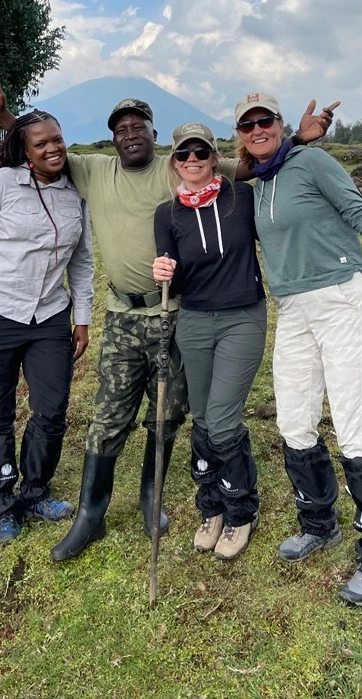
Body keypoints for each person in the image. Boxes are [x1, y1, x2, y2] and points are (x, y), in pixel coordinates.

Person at [0, 70, 339, 562]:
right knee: (109, 413)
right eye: (121, 129)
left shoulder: (177, 171)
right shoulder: (93, 171)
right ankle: (91, 514)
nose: (130, 135)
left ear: (155, 133)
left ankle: (154, 499)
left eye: (139, 127)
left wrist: (298, 138)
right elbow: (42, 148)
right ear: (112, 137)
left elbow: (256, 163)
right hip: (124, 314)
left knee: (168, 412)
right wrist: (3, 115)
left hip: (175, 312)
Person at [233, 90, 362, 607]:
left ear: (276, 122)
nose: (257, 129)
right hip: (292, 308)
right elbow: (213, 172)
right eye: (247, 125)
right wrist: (290, 137)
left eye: (265, 121)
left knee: (354, 423)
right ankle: (318, 522)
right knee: (294, 419)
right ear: (241, 136)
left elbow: (356, 208)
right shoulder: (253, 182)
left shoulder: (313, 162)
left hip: (341, 298)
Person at [0, 111, 93, 546]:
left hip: (49, 315)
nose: (53, 149)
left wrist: (80, 317)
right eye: (41, 143)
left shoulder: (74, 194)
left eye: (58, 140)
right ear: (24, 151)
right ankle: (2, 503)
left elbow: (81, 263)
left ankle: (35, 491)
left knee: (51, 408)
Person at [153, 122, 264, 560]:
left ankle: (241, 511)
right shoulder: (166, 214)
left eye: (201, 152)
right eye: (184, 154)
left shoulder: (243, 198)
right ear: (175, 161)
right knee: (202, 416)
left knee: (220, 416)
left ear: (216, 157)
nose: (193, 160)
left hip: (242, 317)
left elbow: (282, 229)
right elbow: (173, 274)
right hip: (194, 319)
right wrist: (164, 271)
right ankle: (212, 507)